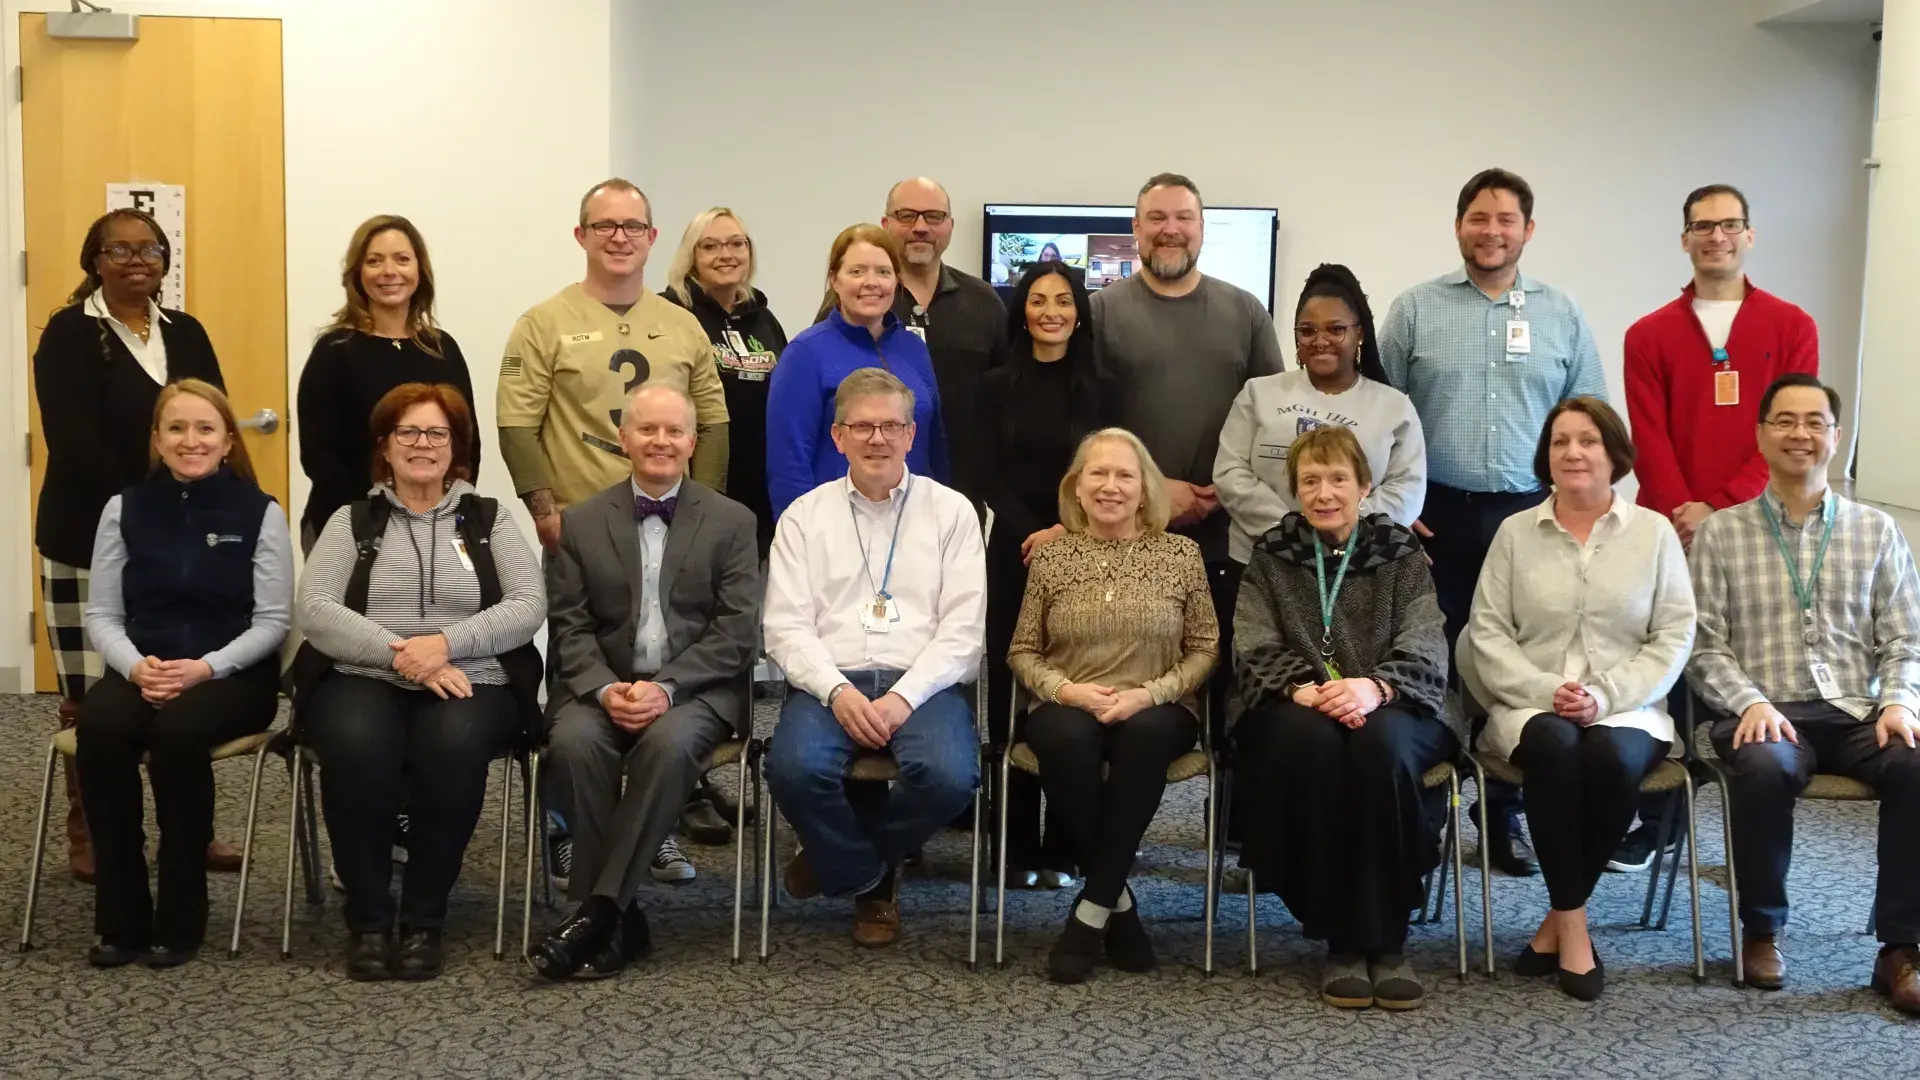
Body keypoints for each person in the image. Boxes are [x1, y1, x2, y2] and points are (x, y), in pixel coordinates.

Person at [1379, 167, 1607, 877]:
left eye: (1506, 219)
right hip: (1436, 515)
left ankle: (1502, 819)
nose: (1492, 231)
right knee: (1431, 659)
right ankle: (1424, 809)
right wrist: (1399, 502)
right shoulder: (1415, 309)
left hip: (1529, 514)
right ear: (1459, 226)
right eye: (1479, 218)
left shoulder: (1561, 314)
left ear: (1528, 231)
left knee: (1521, 661)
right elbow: (1383, 412)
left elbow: (1589, 413)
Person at [1687, 373, 1920, 1014]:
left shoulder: (1876, 533)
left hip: (1854, 710)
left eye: (1815, 422)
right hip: (1763, 709)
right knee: (1763, 766)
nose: (1800, 434)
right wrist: (1749, 704)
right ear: (1761, 435)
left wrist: (1899, 700)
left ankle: (1901, 948)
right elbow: (1703, 647)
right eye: (1785, 421)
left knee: (1917, 762)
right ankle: (1762, 929)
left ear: (1836, 438)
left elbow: (1907, 638)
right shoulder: (1721, 534)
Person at [297, 382, 545, 981]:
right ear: (384, 446)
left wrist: (446, 646)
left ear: (455, 447)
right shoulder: (351, 519)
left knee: (452, 745)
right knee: (356, 744)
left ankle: (425, 919)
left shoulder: (489, 518)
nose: (422, 444)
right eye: (408, 432)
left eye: (437, 433)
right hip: (362, 670)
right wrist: (402, 654)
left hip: (474, 676)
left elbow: (530, 602)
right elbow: (316, 608)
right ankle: (370, 920)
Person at [1611, 184, 1819, 875]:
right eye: (1703, 227)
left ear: (1749, 236)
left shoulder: (1792, 326)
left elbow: (1789, 430)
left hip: (1761, 527)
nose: (1717, 237)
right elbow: (1648, 433)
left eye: (1730, 225)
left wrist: (1724, 506)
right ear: (1685, 240)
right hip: (1671, 530)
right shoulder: (1649, 334)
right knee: (1668, 669)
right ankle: (1659, 824)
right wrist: (1683, 510)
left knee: (1748, 670)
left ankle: (1748, 836)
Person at [1463, 398, 1697, 1001]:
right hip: (1530, 701)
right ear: (1546, 455)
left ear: (1614, 454)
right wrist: (1547, 690)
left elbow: (1674, 634)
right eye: (1560, 441)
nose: (1573, 452)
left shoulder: (1654, 533)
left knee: (1610, 760)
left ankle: (1558, 920)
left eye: (1588, 440)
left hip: (1629, 703)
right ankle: (1574, 928)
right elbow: (1486, 630)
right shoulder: (1516, 532)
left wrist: (1606, 694)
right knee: (1553, 746)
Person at [529, 385, 761, 981]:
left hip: (696, 689)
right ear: (624, 439)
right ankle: (620, 919)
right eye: (647, 430)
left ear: (692, 442)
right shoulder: (579, 523)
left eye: (674, 432)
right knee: (576, 743)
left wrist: (667, 688)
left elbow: (735, 633)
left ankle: (596, 912)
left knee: (668, 744)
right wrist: (607, 689)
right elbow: (570, 628)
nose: (661, 441)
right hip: (602, 685)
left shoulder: (733, 521)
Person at [34, 208, 236, 885]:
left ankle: (190, 830)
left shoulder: (187, 330)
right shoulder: (69, 334)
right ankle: (89, 827)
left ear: (164, 260)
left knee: (178, 689)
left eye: (148, 247)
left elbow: (209, 419)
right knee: (94, 695)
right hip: (85, 539)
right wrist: (144, 510)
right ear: (95, 260)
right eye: (118, 249)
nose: (135, 259)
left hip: (182, 542)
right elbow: (74, 441)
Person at [1232, 424, 1458, 1010]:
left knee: (1380, 752)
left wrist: (1375, 687)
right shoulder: (1272, 553)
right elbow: (1252, 637)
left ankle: (1386, 939)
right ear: (1295, 489)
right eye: (1310, 480)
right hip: (1299, 702)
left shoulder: (1401, 552)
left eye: (1338, 479)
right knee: (1312, 747)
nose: (1324, 492)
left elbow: (1427, 638)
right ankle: (1340, 938)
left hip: (1392, 698)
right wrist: (1300, 688)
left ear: (1364, 485)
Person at [762, 367, 985, 947]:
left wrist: (902, 698)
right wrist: (838, 692)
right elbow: (785, 626)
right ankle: (869, 875)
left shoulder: (952, 512)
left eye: (891, 426)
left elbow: (964, 630)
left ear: (912, 435)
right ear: (837, 437)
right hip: (830, 679)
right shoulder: (803, 517)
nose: (877, 439)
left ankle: (845, 861)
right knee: (792, 769)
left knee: (949, 777)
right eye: (862, 426)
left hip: (925, 681)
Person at [77, 378, 292, 968]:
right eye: (176, 428)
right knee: (100, 729)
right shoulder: (124, 508)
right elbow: (102, 612)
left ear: (227, 440)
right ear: (156, 439)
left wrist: (204, 668)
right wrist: (135, 667)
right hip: (141, 667)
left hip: (233, 676)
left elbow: (273, 622)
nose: (190, 440)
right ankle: (120, 919)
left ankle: (180, 916)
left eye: (205, 429)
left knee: (175, 737)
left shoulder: (260, 511)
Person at [1008, 428, 1217, 983]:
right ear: (1076, 489)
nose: (1110, 486)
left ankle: (1087, 918)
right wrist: (1066, 691)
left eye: (1125, 475)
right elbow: (1022, 650)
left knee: (1144, 739)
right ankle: (1117, 911)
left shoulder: (1181, 555)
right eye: (1097, 474)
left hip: (1158, 703)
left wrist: (1148, 694)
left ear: (1145, 489)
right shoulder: (1052, 559)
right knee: (1064, 739)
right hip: (1068, 698)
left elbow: (1206, 649)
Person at [1089, 171, 1284, 740]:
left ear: (1201, 229)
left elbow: (1270, 419)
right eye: (1157, 219)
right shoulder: (1100, 313)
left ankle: (1231, 817)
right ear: (1135, 230)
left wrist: (1224, 488)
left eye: (1183, 219)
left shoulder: (1245, 311)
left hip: (1229, 527)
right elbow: (1088, 423)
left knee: (1232, 669)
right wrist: (1152, 493)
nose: (1170, 230)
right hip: (1127, 528)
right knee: (1132, 675)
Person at [496, 177, 730, 553]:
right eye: (604, 225)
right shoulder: (541, 324)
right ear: (581, 235)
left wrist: (702, 512)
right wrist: (545, 515)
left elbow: (712, 423)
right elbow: (517, 426)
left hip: (672, 528)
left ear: (651, 237)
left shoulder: (684, 326)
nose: (620, 238)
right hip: (579, 528)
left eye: (633, 226)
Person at [978, 264, 1101, 888]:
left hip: (1086, 552)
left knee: (1070, 692)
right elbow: (986, 471)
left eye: (1062, 300)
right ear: (1020, 311)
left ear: (1080, 311)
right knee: (1012, 694)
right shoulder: (996, 384)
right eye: (1036, 300)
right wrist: (1033, 530)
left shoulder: (1105, 385)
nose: (1049, 311)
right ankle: (1013, 843)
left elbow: (1109, 471)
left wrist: (1064, 528)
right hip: (1013, 552)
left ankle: (1064, 847)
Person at [1215, 263, 1426, 566]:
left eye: (1336, 329)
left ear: (1359, 334)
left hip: (1357, 563)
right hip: (1261, 560)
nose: (1320, 340)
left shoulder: (1394, 407)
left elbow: (1406, 489)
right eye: (1308, 330)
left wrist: (1340, 528)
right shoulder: (1258, 393)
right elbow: (1230, 473)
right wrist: (1292, 531)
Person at [297, 214, 481, 550]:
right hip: (350, 524)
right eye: (374, 261)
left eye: (402, 259)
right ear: (357, 273)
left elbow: (467, 444)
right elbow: (318, 455)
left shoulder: (444, 348)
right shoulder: (334, 351)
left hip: (436, 525)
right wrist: (382, 517)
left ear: (419, 271)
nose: (389, 272)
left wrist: (438, 511)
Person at [765, 225, 949, 518]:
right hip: (835, 527)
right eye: (857, 271)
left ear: (897, 281)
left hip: (913, 523)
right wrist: (801, 535)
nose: (871, 282)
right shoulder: (805, 353)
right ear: (835, 280)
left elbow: (934, 448)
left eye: (883, 272)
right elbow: (788, 464)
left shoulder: (914, 349)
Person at [662, 207, 789, 556]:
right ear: (691, 256)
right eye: (711, 246)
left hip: (759, 489)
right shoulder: (670, 315)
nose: (726, 255)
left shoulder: (764, 320)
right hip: (694, 485)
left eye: (737, 244)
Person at [882, 176, 1009, 501]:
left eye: (934, 217)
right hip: (875, 492)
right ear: (885, 224)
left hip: (962, 494)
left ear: (950, 226)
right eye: (907, 215)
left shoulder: (983, 302)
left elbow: (1008, 398)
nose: (921, 227)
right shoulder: (863, 300)